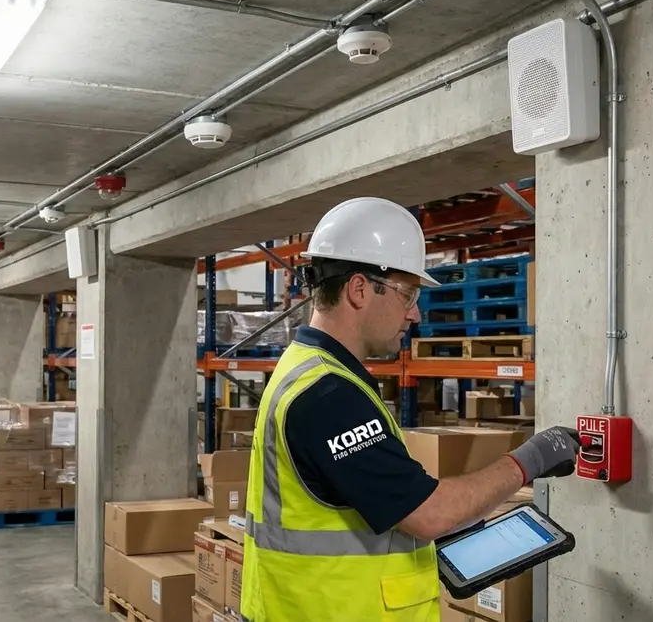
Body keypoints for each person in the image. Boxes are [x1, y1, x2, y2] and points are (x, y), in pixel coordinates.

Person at [239, 197, 580, 622]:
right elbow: (429, 513)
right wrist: (530, 460)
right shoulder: (327, 396)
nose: (415, 313)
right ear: (359, 289)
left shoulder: (310, 372)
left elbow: (369, 508)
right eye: (408, 293)